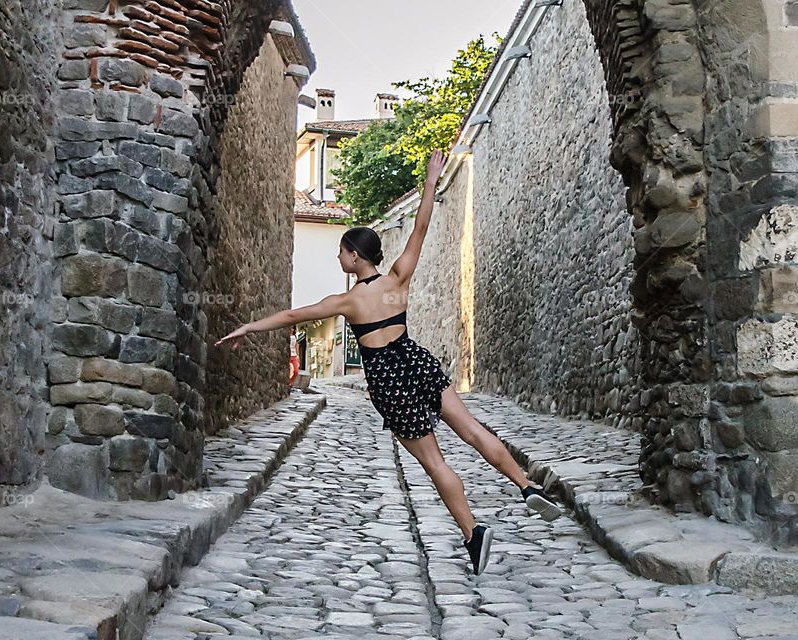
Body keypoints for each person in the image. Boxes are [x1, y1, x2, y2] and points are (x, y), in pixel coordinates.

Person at [214, 149, 561, 576]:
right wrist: (431, 180)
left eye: (341, 253)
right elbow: (421, 227)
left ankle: (473, 535)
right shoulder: (398, 278)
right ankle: (526, 487)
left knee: (435, 463)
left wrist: (248, 328)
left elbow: (291, 316)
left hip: (387, 378)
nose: (338, 259)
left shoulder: (347, 300)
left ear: (356, 257)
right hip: (415, 359)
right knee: (473, 430)